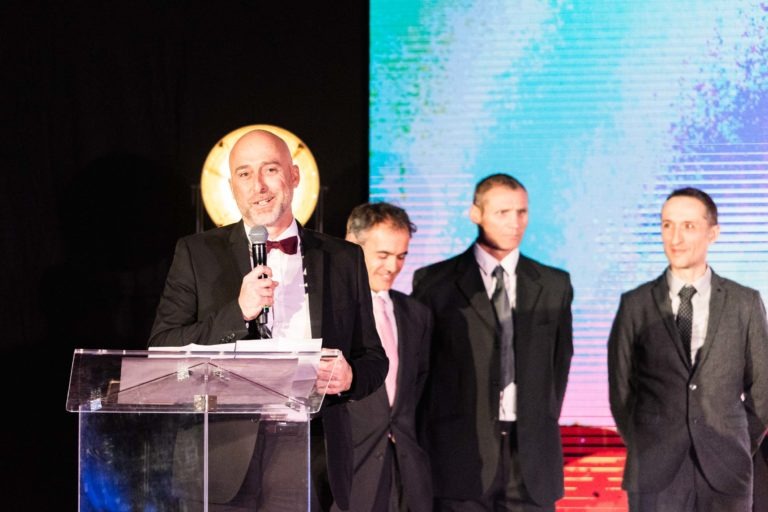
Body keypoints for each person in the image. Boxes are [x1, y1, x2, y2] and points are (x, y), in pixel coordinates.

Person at [149, 129, 388, 511]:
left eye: (270, 169)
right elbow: (162, 348)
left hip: (310, 450)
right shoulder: (196, 253)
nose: (258, 185)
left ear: (293, 176)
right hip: (222, 451)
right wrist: (238, 312)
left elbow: (373, 358)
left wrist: (351, 377)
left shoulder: (344, 259)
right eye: (244, 174)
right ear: (232, 186)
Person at [412, 173, 574, 511]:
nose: (515, 223)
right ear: (476, 214)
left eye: (522, 212)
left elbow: (559, 365)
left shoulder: (554, 284)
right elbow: (423, 372)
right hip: (460, 457)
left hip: (531, 458)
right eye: (503, 212)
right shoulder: (435, 283)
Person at [608, 187, 768, 511]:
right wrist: (648, 443)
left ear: (713, 233)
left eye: (688, 226)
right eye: (667, 225)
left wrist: (735, 442)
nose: (675, 238)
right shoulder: (635, 304)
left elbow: (763, 390)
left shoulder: (745, 302)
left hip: (727, 473)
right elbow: (621, 391)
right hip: (654, 474)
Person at [336, 202, 433, 512]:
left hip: (406, 480)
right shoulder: (329, 313)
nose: (393, 267)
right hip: (347, 478)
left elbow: (417, 392)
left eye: (401, 256)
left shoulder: (416, 315)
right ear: (352, 245)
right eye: (383, 255)